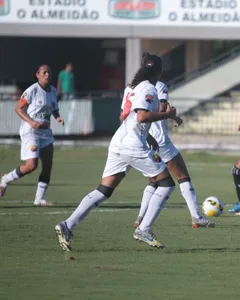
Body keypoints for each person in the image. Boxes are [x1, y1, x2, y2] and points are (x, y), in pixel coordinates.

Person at [55, 53, 177, 251]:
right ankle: (144, 228)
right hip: (132, 145)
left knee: (104, 190)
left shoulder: (132, 88)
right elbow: (142, 117)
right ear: (159, 72)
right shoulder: (148, 88)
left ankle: (67, 225)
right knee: (166, 184)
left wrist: (150, 137)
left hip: (119, 142)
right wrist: (167, 115)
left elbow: (127, 117)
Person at [121, 71, 215, 229]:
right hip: (159, 139)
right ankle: (196, 217)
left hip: (140, 138)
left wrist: (173, 117)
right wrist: (170, 114)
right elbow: (163, 107)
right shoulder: (158, 85)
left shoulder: (131, 88)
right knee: (182, 176)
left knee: (154, 180)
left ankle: (139, 218)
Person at [0, 65, 65, 206]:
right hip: (31, 132)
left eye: (49, 72)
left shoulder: (53, 91)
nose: (47, 74)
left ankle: (39, 199)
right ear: (38, 74)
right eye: (44, 72)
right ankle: (5, 179)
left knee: (48, 166)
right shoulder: (32, 90)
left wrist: (58, 117)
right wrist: (31, 121)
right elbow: (18, 108)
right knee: (31, 165)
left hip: (46, 133)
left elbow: (54, 109)